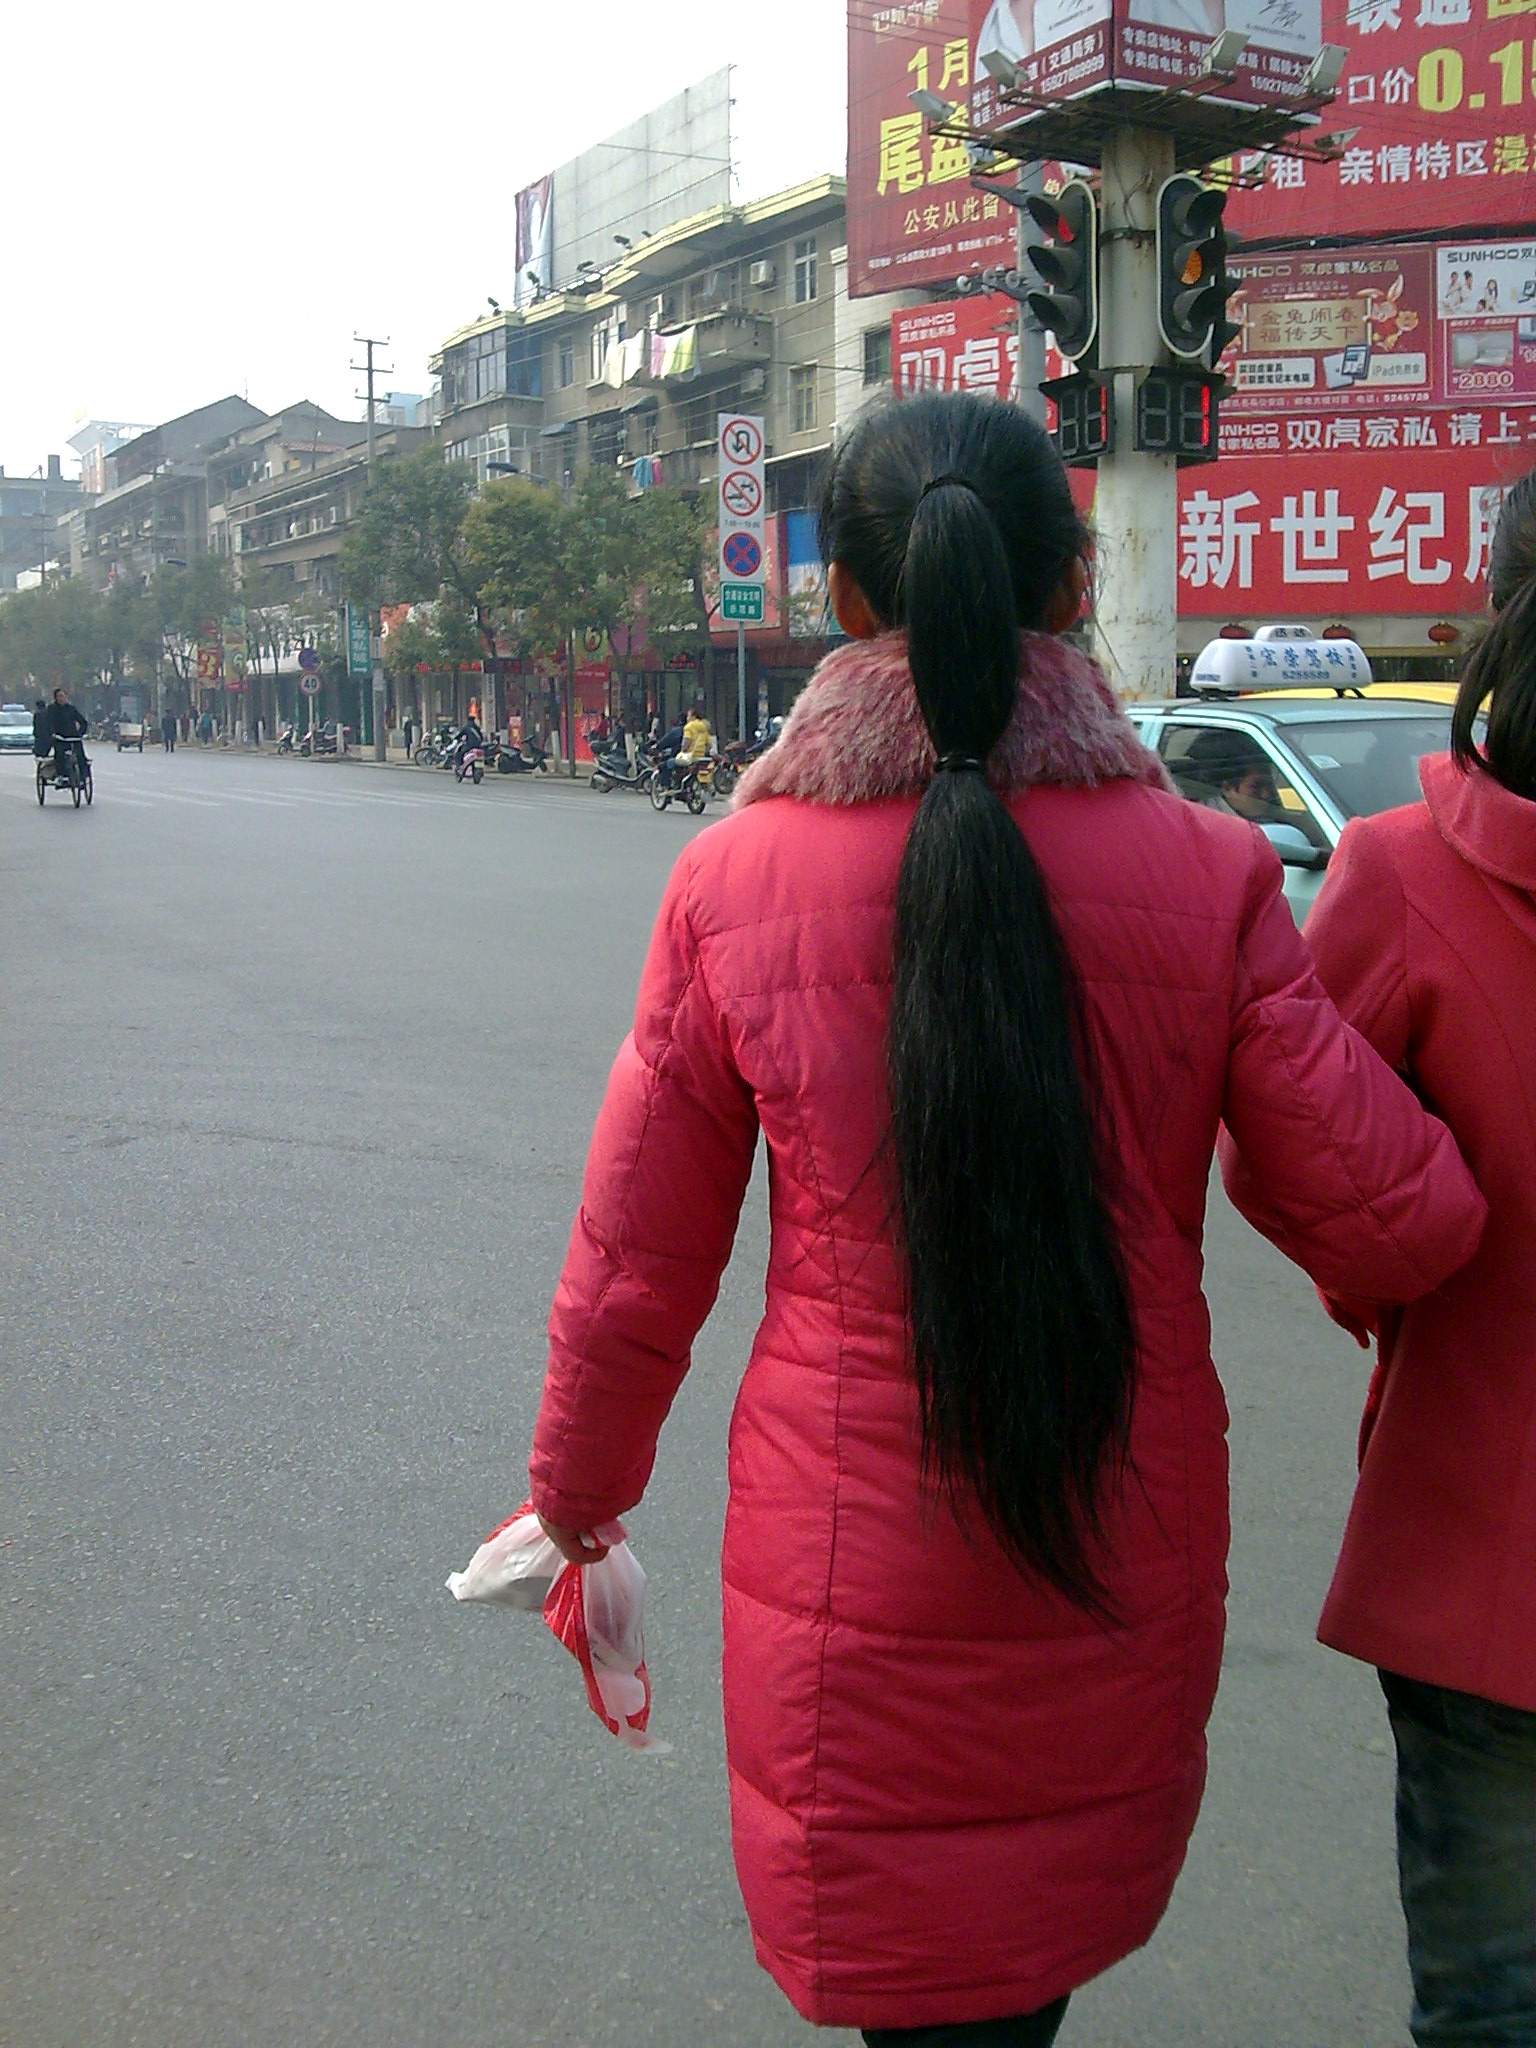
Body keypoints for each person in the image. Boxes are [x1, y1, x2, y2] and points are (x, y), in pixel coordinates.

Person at [525, 391, 1484, 2045]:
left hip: (848, 1575)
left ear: (842, 602)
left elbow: (634, 1265)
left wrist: (576, 1498)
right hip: (1110, 1533)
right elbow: (1398, 1225)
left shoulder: (732, 882)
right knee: (1019, 1977)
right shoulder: (1208, 872)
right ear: (1068, 584)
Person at [1263, 469, 1536, 2047]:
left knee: (1491, 2005)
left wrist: (1403, 1293)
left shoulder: (1396, 879)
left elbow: (1308, 1164)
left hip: (1479, 1555)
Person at [1182, 728, 1289, 824]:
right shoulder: (1207, 823)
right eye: (1256, 787)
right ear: (1227, 788)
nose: (1266, 794)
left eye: (1269, 785)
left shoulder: (1272, 817)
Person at [48, 687, 90, 786]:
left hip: (73, 736)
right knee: (60, 755)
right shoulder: (52, 709)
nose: (61, 698)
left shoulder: (71, 709)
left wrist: (80, 733)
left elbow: (83, 722)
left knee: (80, 755)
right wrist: (53, 733)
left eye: (63, 696)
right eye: (59, 696)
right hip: (60, 737)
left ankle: (83, 775)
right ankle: (61, 776)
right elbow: (48, 723)